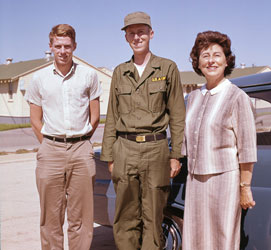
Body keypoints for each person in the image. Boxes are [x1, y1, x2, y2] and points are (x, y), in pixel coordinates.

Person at [100, 11, 185, 250]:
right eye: (131, 33)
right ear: (126, 37)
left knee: (153, 215)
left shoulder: (167, 68)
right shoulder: (119, 72)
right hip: (124, 150)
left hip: (156, 149)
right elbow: (112, 117)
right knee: (125, 217)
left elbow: (178, 115)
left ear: (151, 33)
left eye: (141, 32)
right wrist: (109, 157)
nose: (137, 37)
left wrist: (175, 154)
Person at [25, 24, 102, 250]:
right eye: (57, 46)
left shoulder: (89, 75)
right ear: (50, 47)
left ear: (74, 46)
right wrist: (50, 145)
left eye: (67, 46)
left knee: (82, 218)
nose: (62, 51)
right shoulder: (39, 79)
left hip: (81, 150)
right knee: (51, 218)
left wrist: (80, 144)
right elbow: (35, 120)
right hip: (50, 150)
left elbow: (95, 117)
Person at [182, 31, 257, 250]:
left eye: (217, 55)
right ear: (198, 62)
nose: (211, 60)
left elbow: (247, 148)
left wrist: (245, 187)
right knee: (195, 238)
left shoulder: (237, 97)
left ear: (226, 61)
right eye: (205, 56)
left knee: (222, 238)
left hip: (224, 180)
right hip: (195, 180)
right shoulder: (193, 97)